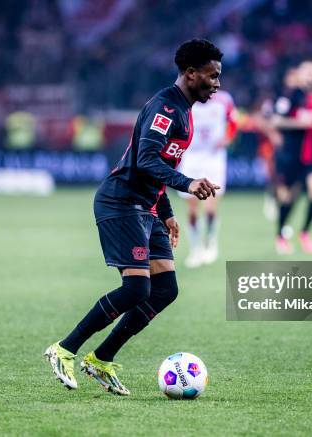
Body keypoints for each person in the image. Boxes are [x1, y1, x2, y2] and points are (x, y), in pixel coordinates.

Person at [44, 39, 223, 396]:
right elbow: (146, 160)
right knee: (136, 287)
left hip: (148, 207)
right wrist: (187, 184)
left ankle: (101, 358)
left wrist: (168, 212)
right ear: (191, 73)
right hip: (121, 202)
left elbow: (161, 167)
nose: (217, 83)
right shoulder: (165, 110)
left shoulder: (183, 110)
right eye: (212, 75)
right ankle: (64, 349)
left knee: (165, 289)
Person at [177, 88, 237, 267]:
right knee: (192, 207)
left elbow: (234, 121)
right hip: (191, 157)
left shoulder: (224, 99)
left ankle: (210, 243)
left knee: (211, 205)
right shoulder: (185, 99)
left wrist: (227, 138)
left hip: (214, 157)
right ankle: (195, 249)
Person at [271, 61, 312, 254]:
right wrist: (299, 122)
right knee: (289, 198)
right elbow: (276, 120)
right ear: (300, 74)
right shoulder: (290, 95)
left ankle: (305, 233)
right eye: (308, 72)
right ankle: (280, 234)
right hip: (292, 155)